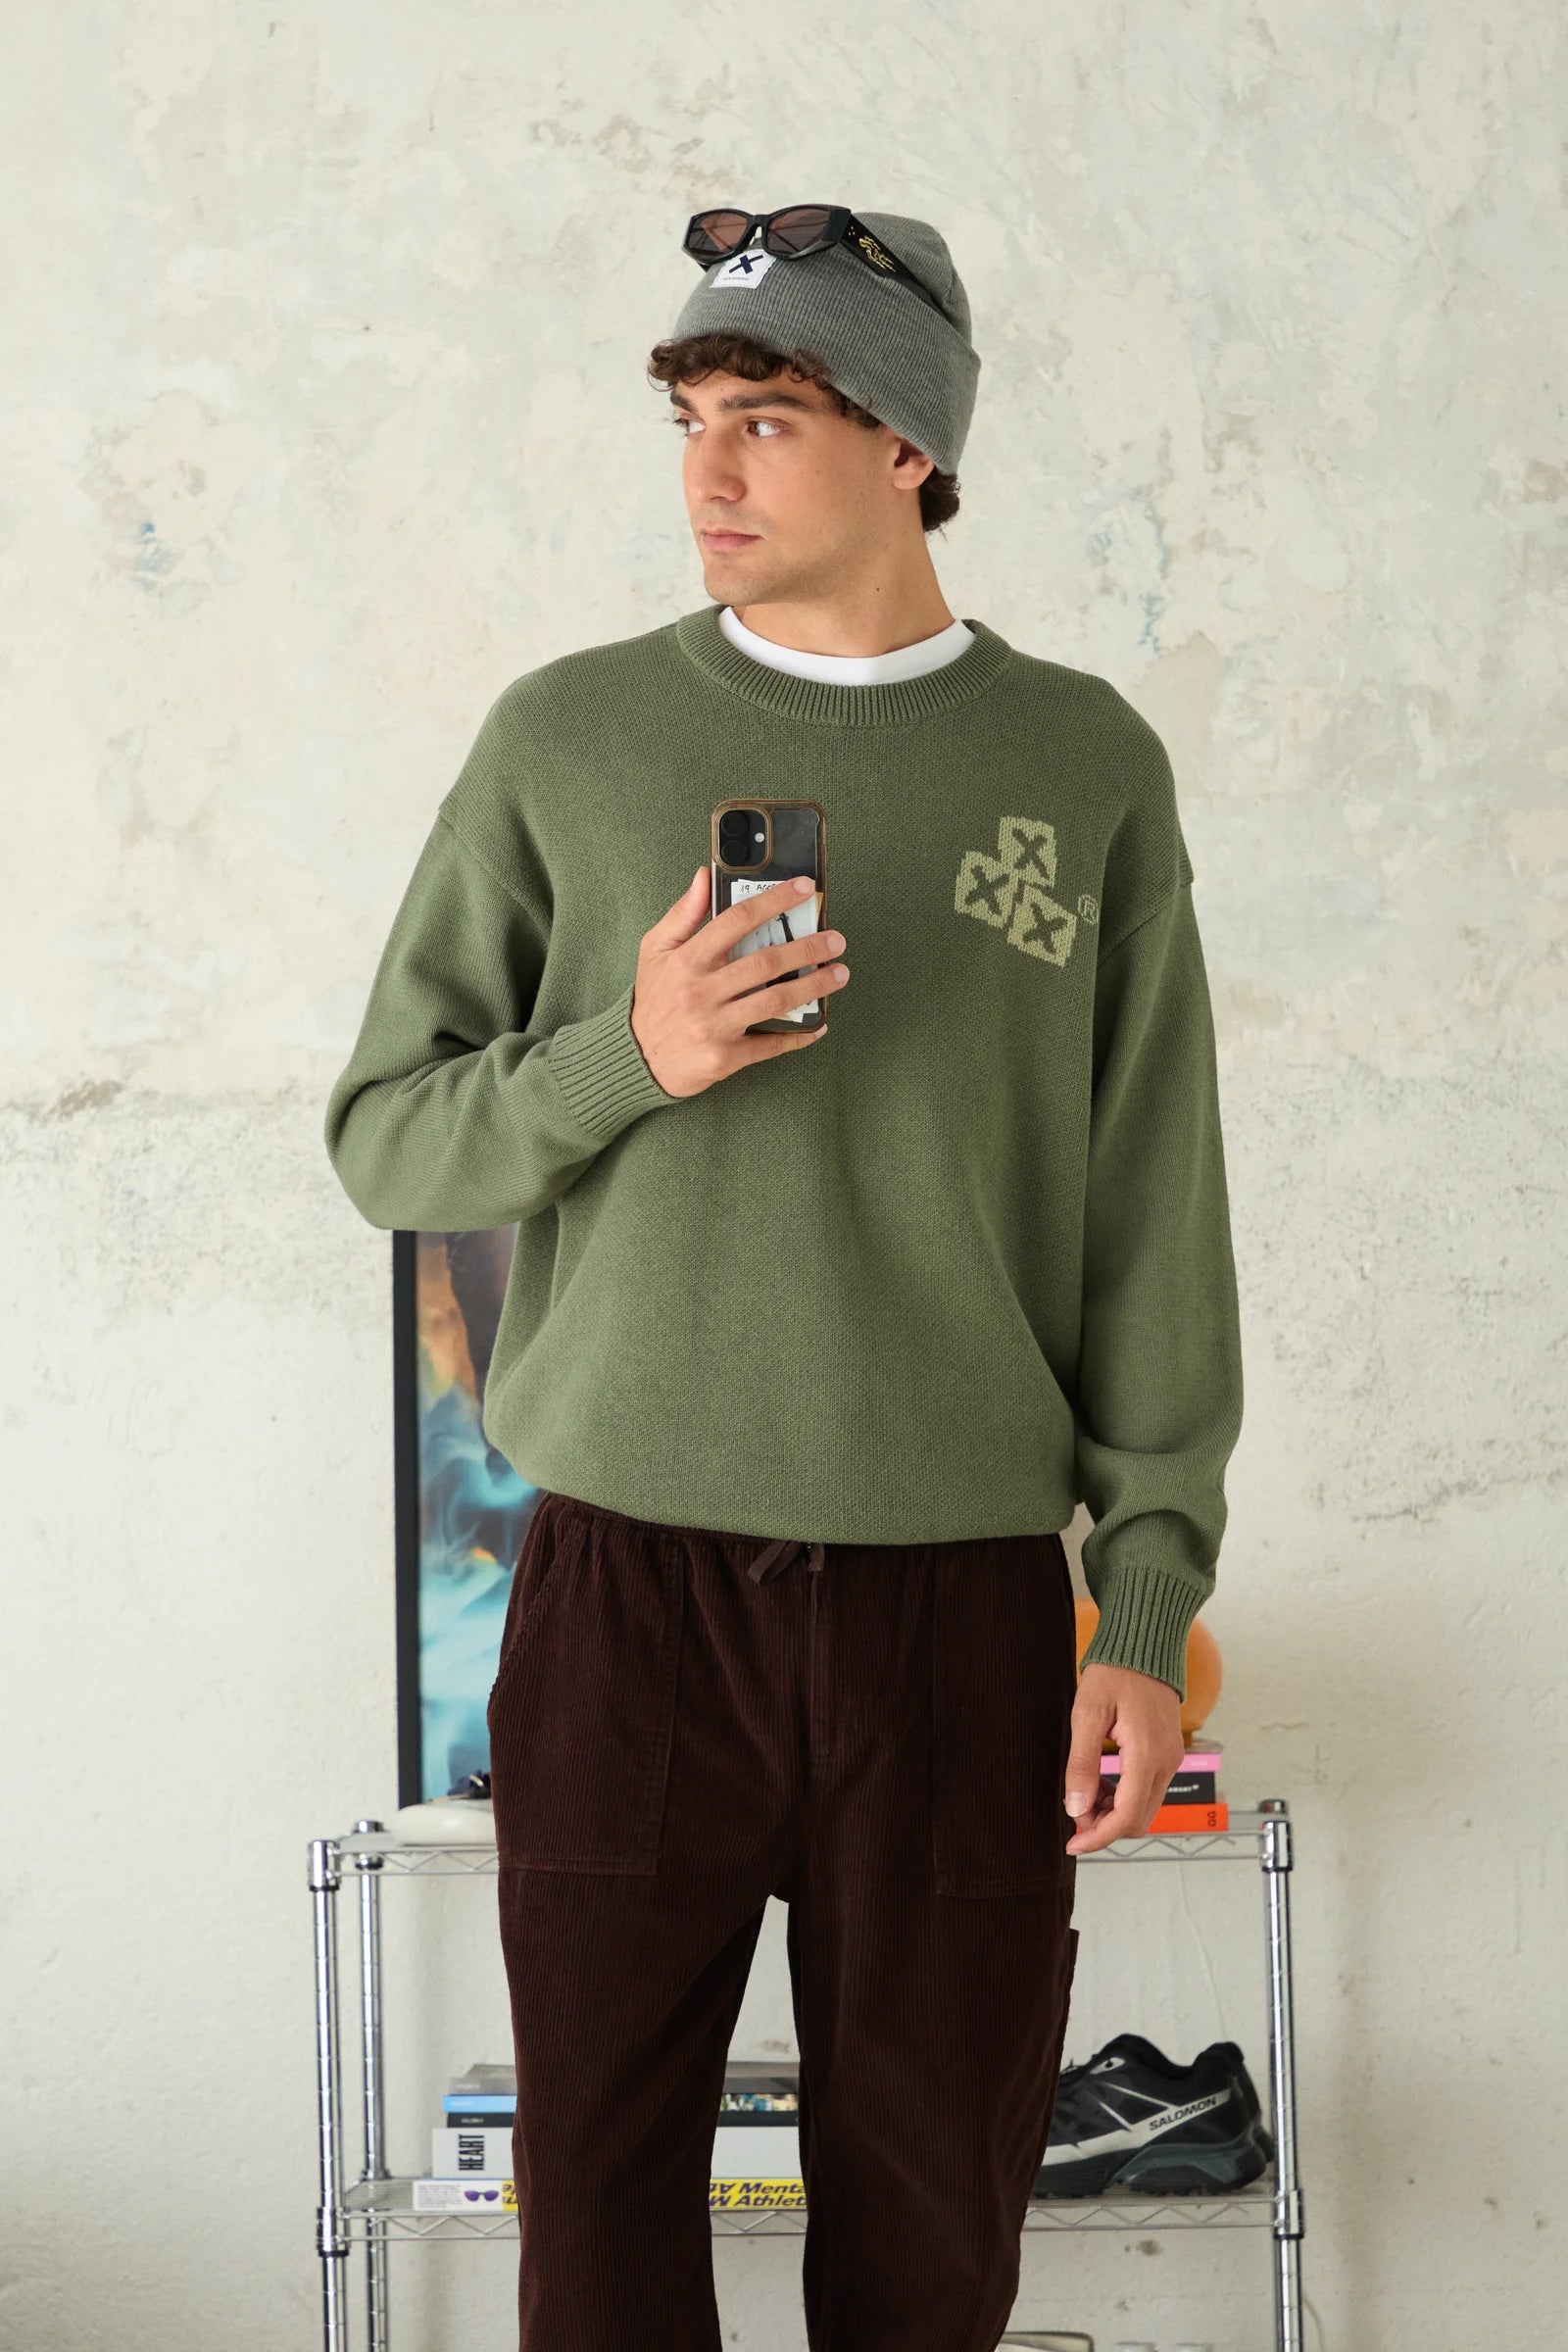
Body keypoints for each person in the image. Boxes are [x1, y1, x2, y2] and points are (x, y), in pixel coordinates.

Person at [323, 203, 1244, 2352]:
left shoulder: (1081, 767)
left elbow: (1153, 1217)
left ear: (911, 447)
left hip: (961, 1618)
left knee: (932, 2242)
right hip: (624, 1601)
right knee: (601, 2234)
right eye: (689, 421)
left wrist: (1143, 1607)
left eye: (767, 419)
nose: (708, 473)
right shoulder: (565, 741)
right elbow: (389, 1139)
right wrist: (628, 1056)